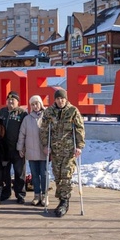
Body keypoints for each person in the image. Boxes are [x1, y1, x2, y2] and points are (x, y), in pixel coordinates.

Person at [40, 88, 85, 217]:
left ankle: (65, 202)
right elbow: (44, 129)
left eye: (62, 98)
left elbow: (79, 129)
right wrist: (45, 145)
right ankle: (61, 200)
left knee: (66, 175)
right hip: (55, 150)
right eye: (58, 99)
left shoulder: (73, 111)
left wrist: (79, 145)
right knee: (58, 176)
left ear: (66, 99)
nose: (60, 101)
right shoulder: (49, 112)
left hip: (69, 150)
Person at [0, 91, 28, 203]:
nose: (10, 102)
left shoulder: (22, 114)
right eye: (8, 100)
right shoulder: (1, 112)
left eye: (13, 100)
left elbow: (26, 132)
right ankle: (6, 192)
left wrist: (23, 146)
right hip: (4, 149)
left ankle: (20, 194)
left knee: (19, 173)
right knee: (5, 172)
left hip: (18, 149)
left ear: (18, 102)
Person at [17, 95, 47, 206]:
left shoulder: (46, 117)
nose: (35, 106)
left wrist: (50, 148)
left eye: (37, 103)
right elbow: (22, 134)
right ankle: (37, 195)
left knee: (44, 174)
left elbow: (51, 133)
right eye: (33, 104)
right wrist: (20, 147)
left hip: (43, 152)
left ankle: (45, 195)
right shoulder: (27, 119)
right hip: (31, 151)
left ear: (41, 104)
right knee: (34, 174)